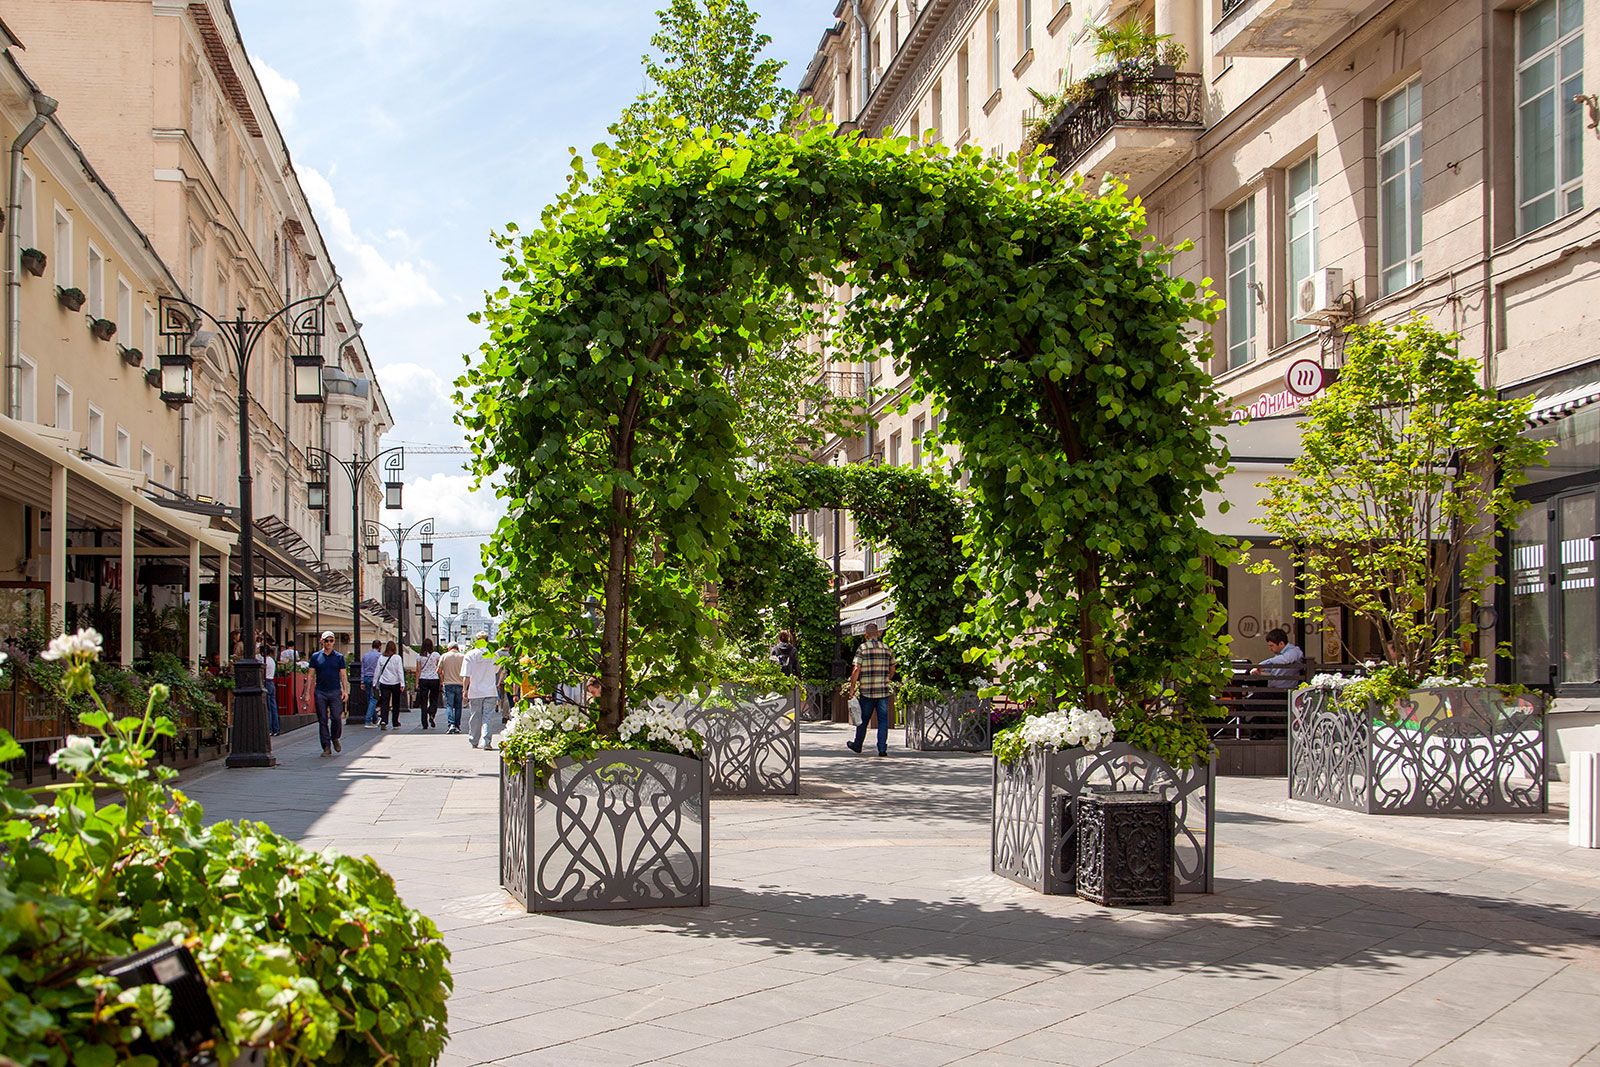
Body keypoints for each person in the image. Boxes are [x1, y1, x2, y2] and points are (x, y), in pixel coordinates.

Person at [846, 623, 896, 757]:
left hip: (867, 691)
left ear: (866, 635)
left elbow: (856, 669)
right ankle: (882, 749)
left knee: (863, 719)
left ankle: (857, 745)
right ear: (878, 633)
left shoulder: (862, 648)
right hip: (883, 690)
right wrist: (888, 679)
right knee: (883, 720)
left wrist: (852, 688)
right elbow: (893, 668)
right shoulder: (886, 648)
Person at [308, 631, 347, 758]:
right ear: (322, 641)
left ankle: (335, 737)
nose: (329, 643)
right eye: (326, 641)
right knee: (322, 720)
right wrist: (307, 692)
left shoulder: (339, 657)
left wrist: (345, 690)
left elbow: (343, 674)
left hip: (335, 691)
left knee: (336, 717)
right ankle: (326, 746)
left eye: (331, 640)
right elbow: (310, 675)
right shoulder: (315, 657)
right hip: (320, 691)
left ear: (334, 642)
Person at [461, 633, 500, 750]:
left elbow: (466, 676)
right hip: (490, 690)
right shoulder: (494, 655)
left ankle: (474, 740)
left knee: (475, 716)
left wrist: (464, 690)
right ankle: (487, 741)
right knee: (488, 717)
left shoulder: (470, 654)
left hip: (475, 691)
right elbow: (496, 670)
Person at [374, 640, 406, 730]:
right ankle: (395, 722)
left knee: (384, 702)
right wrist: (402, 683)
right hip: (395, 683)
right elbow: (400, 671)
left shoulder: (381, 657)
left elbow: (377, 671)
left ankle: (384, 720)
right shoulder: (397, 658)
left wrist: (374, 682)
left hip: (384, 683)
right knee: (396, 703)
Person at [438, 641, 466, 734]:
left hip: (448, 683)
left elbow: (438, 670)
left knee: (449, 705)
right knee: (458, 706)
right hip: (460, 683)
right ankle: (457, 726)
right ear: (457, 648)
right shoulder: (463, 657)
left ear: (449, 648)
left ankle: (451, 724)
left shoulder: (444, 656)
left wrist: (442, 678)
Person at [417, 638, 442, 730]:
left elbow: (418, 670)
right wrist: (441, 680)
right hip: (434, 679)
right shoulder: (436, 655)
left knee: (423, 701)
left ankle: (424, 723)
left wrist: (417, 683)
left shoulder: (419, 656)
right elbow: (439, 669)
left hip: (423, 679)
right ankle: (431, 713)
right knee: (434, 699)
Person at [360, 639, 382, 728]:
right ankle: (368, 720)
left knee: (370, 699)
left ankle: (375, 718)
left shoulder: (366, 655)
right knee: (374, 699)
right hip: (374, 679)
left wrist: (362, 681)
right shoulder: (379, 656)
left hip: (366, 678)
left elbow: (362, 669)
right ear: (379, 646)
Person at [261, 640, 279, 737]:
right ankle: (275, 728)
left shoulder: (265, 661)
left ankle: (269, 729)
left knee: (268, 707)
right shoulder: (272, 660)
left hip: (267, 682)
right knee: (273, 706)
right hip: (271, 682)